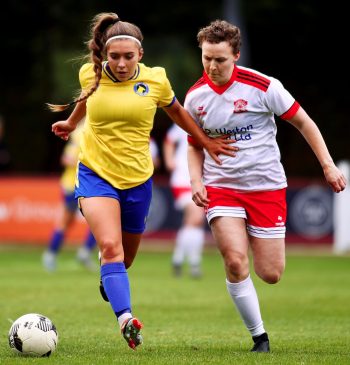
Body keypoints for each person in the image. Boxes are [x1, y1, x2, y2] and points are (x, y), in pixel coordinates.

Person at [48, 12, 237, 350]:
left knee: (125, 260)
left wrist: (206, 141)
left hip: (138, 180)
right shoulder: (90, 73)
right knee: (110, 248)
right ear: (105, 55)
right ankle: (126, 319)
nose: (120, 63)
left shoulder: (157, 81)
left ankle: (111, 277)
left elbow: (178, 112)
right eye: (114, 56)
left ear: (141, 56)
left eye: (128, 57)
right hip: (95, 174)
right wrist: (70, 122)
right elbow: (87, 98)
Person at [185, 20, 346, 353]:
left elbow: (304, 122)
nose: (212, 67)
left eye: (220, 60)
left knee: (270, 273)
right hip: (222, 186)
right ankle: (260, 337)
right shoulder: (195, 97)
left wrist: (328, 166)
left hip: (266, 187)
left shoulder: (263, 86)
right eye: (206, 59)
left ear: (236, 56)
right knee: (234, 261)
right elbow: (193, 143)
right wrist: (196, 180)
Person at [42, 119, 97, 272]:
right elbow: (67, 159)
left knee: (99, 219)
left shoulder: (93, 131)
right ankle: (50, 254)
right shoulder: (81, 133)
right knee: (66, 221)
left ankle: (85, 253)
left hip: (88, 185)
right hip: (72, 185)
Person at [163, 123, 206, 278]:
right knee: (196, 217)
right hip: (183, 178)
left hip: (199, 179)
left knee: (194, 221)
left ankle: (179, 258)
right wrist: (169, 160)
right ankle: (193, 262)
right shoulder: (188, 120)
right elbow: (169, 139)